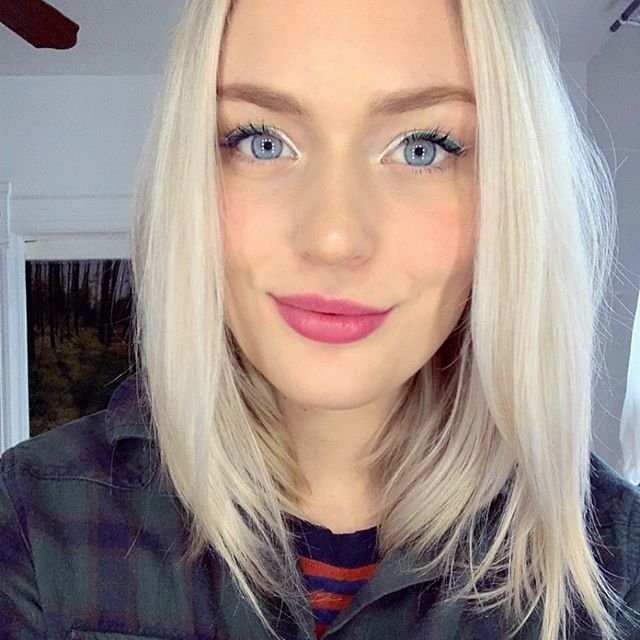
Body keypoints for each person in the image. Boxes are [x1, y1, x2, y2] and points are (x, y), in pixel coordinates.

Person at [1, 0, 639, 638]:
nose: (333, 238)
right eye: (263, 142)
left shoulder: (619, 562)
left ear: (512, 190)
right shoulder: (32, 522)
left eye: (422, 148)